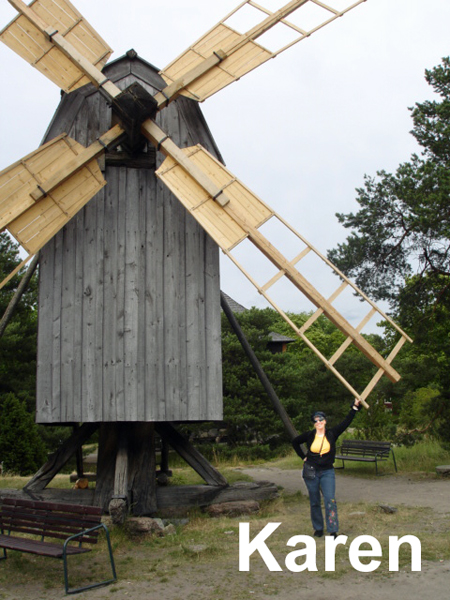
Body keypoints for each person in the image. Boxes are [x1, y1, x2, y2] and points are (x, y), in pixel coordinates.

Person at [292, 400, 361, 538]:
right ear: (313, 423)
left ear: (325, 421)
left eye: (320, 419)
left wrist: (354, 407)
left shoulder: (332, 434)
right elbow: (295, 442)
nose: (318, 422)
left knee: (330, 499)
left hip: (327, 472)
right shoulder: (309, 435)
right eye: (315, 421)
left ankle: (333, 529)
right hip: (311, 471)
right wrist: (303, 456)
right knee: (314, 500)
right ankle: (318, 528)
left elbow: (346, 422)